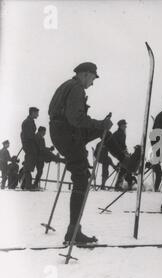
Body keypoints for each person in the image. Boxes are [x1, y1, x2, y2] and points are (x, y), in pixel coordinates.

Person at [48, 62, 137, 244]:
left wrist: (100, 126)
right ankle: (73, 233)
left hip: (63, 132)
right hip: (69, 135)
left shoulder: (66, 85)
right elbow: (76, 119)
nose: (93, 83)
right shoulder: (76, 89)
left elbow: (64, 115)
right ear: (86, 74)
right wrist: (99, 123)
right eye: (93, 78)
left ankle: (125, 161)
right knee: (82, 179)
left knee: (105, 132)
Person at [20, 107, 39, 190]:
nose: (38, 115)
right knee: (28, 167)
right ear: (32, 113)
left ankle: (26, 185)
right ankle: (27, 185)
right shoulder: (27, 122)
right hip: (29, 146)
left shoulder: (30, 121)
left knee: (29, 166)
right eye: (36, 113)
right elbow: (27, 136)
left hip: (30, 146)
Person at [112, 120, 133, 191]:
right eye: (124, 125)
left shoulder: (119, 133)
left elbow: (122, 144)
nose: (126, 127)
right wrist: (124, 152)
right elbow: (120, 144)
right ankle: (119, 185)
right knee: (125, 167)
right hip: (119, 152)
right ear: (121, 126)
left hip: (118, 152)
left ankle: (124, 184)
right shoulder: (120, 133)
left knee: (125, 167)